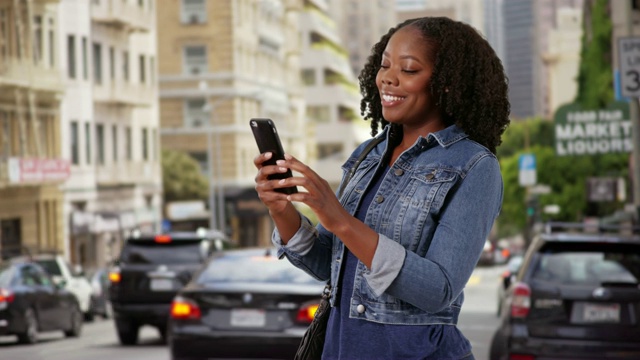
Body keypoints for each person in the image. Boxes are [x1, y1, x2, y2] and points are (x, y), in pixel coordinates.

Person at [253, 16, 510, 360]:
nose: (388, 77)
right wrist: (281, 208)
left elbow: (438, 290)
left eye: (409, 69)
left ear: (447, 83)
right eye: (385, 64)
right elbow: (327, 264)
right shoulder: (368, 155)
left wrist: (338, 217)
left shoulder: (475, 167)